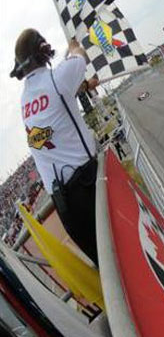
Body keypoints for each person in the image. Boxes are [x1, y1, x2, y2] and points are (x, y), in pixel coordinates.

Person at [11, 29, 99, 266]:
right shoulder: (57, 79)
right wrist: (72, 46)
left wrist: (85, 85)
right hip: (88, 188)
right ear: (44, 51)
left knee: (105, 265)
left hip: (65, 208)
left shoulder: (25, 99)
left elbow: (61, 93)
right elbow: (80, 56)